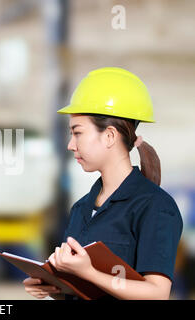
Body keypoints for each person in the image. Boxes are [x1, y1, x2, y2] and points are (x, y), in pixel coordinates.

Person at [23, 67, 183, 300]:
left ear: (109, 136)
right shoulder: (81, 209)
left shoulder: (155, 207)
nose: (71, 145)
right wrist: (51, 285)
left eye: (77, 133)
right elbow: (81, 290)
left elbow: (156, 294)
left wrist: (89, 273)